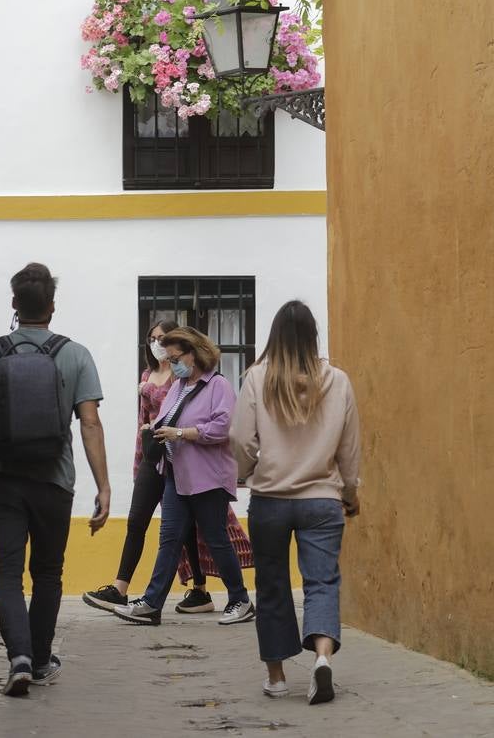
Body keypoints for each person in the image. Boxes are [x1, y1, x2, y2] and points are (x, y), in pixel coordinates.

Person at [0, 262, 110, 697]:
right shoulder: (75, 354)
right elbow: (89, 424)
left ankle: (19, 658)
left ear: (13, 304)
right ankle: (42, 660)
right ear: (51, 306)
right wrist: (103, 486)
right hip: (54, 481)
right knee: (48, 572)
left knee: (7, 572)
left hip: (2, 478)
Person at [229, 300, 360, 705]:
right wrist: (350, 494)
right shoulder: (337, 381)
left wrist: (246, 471)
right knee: (322, 582)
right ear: (312, 336)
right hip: (321, 500)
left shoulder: (256, 378)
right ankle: (322, 659)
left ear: (275, 336)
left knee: (271, 586)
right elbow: (349, 447)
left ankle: (277, 677)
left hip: (269, 499)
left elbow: (240, 439)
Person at [112, 326, 254, 626]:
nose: (173, 362)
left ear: (195, 354)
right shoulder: (178, 387)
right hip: (176, 475)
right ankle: (151, 604)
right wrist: (155, 430)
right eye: (171, 356)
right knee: (170, 540)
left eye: (177, 357)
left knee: (216, 538)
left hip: (207, 477)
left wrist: (183, 433)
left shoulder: (218, 386)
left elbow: (223, 428)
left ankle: (240, 599)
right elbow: (166, 417)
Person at [82, 319, 214, 614]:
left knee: (184, 528)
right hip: (151, 456)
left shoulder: (183, 378)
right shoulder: (147, 374)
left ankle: (201, 590)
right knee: (136, 520)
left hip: (177, 456)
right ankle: (120, 589)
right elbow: (142, 421)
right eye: (152, 338)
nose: (157, 343)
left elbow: (184, 412)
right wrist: (139, 459)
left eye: (163, 338)